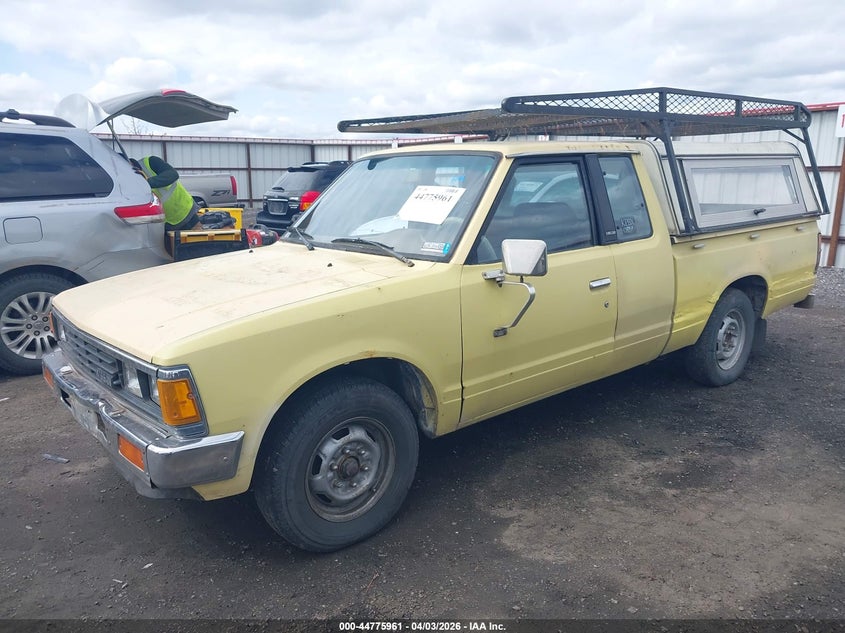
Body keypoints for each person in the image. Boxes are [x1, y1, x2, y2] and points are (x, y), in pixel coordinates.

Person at [131, 156, 201, 232]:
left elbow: (172, 174)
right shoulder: (130, 181)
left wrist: (148, 182)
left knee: (197, 241)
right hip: (165, 224)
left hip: (186, 212)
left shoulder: (149, 162)